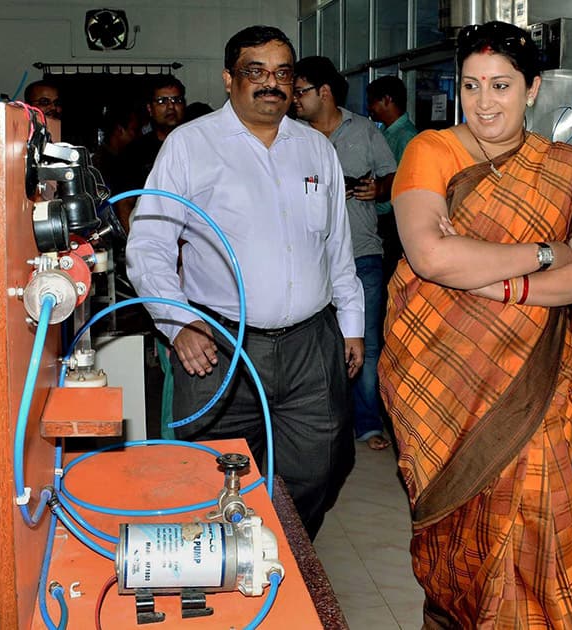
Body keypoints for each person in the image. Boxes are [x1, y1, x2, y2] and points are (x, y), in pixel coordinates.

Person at [378, 21, 572, 628]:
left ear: (533, 89)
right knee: (456, 535)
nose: (484, 102)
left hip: (528, 392)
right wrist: (548, 253)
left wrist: (500, 283)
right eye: (470, 85)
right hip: (436, 379)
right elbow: (431, 255)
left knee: (535, 529)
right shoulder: (430, 150)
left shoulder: (565, 168)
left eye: (501, 86)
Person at [126, 25, 365, 540]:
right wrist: (178, 323)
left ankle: (278, 553)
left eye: (282, 73)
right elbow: (148, 247)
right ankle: (229, 571)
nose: (270, 84)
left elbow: (336, 246)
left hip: (310, 342)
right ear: (229, 79)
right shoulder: (193, 145)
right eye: (256, 71)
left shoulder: (316, 149)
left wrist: (351, 324)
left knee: (321, 465)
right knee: (212, 470)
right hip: (218, 344)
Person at [293, 55, 397, 452]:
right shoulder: (292, 138)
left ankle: (368, 424)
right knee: (315, 347)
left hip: (361, 252)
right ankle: (319, 426)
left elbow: (392, 175)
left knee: (364, 342)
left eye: (301, 91)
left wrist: (379, 189)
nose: (295, 99)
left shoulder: (365, 131)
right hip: (309, 260)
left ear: (325, 92)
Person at [366, 75, 419, 285]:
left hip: (394, 221)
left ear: (387, 100)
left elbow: (404, 183)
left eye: (372, 101)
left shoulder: (407, 137)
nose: (369, 108)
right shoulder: (385, 133)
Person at [92, 101, 143, 231]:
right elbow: (123, 205)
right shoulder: (118, 163)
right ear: (120, 130)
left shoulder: (100, 159)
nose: (139, 135)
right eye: (135, 130)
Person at [128, 75, 187, 177]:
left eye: (176, 100)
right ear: (150, 109)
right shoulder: (136, 152)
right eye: (162, 101)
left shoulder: (195, 144)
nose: (171, 107)